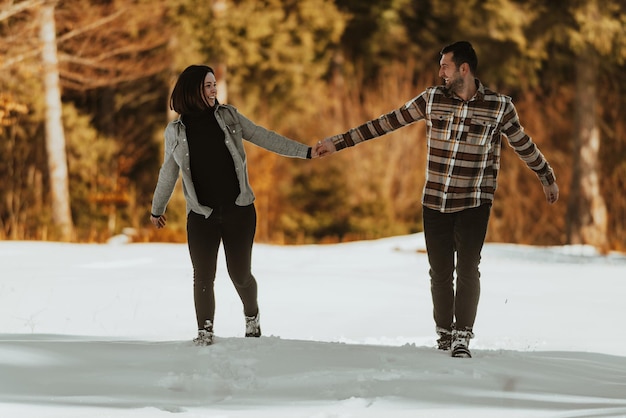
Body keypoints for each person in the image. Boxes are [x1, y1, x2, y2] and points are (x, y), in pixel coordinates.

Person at [315, 41, 559, 358]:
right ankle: (444, 332)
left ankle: (462, 336)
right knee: (440, 272)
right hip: (435, 200)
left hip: (474, 199)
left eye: (445, 66)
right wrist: (338, 142)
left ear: (464, 69)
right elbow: (385, 122)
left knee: (468, 268)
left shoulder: (499, 107)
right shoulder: (431, 100)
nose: (440, 72)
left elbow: (523, 144)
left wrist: (546, 175)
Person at [150, 65, 321, 346]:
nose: (214, 89)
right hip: (201, 215)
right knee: (203, 276)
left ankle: (251, 315)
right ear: (192, 90)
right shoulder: (175, 131)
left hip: (238, 210)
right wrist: (157, 208)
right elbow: (168, 172)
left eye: (214, 84)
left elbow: (264, 136)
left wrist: (306, 152)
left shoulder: (229, 117)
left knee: (239, 274)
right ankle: (205, 333)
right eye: (207, 85)